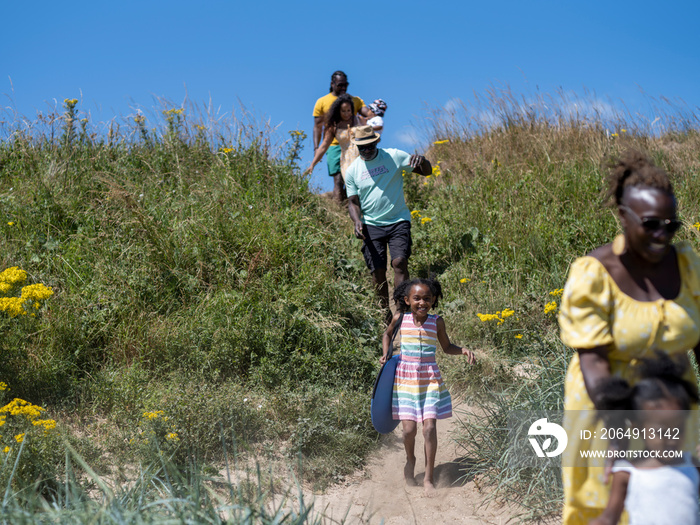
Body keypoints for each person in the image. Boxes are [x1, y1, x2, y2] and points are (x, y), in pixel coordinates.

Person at [558, 149, 700, 525]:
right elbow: (594, 363)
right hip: (608, 413)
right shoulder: (594, 273)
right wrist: (621, 439)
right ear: (623, 216)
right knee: (609, 511)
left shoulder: (687, 265)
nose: (662, 235)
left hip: (672, 410)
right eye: (651, 224)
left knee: (671, 508)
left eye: (671, 226)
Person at [381, 278, 476, 494]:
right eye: (417, 298)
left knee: (429, 427)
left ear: (433, 301)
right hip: (405, 380)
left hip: (430, 380)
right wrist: (386, 353)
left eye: (427, 298)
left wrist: (462, 350)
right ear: (407, 300)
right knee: (408, 430)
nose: (422, 303)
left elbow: (447, 346)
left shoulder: (437, 322)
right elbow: (387, 334)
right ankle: (410, 459)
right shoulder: (400, 318)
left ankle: (429, 478)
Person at [589, 352, 700, 525]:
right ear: (638, 428)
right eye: (661, 432)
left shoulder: (692, 465)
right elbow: (610, 517)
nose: (672, 439)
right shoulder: (628, 473)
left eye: (678, 429)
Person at [345, 125, 432, 319]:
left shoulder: (394, 156)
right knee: (378, 272)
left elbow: (427, 172)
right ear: (357, 147)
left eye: (370, 146)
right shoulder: (352, 171)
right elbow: (352, 202)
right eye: (362, 148)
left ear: (377, 141)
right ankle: (385, 312)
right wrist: (357, 221)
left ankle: (401, 311)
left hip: (398, 220)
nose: (366, 150)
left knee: (399, 262)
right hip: (371, 225)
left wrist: (423, 160)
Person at [312, 71, 368, 203]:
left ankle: (353, 206)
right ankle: (339, 209)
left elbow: (368, 113)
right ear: (332, 84)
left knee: (355, 179)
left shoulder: (355, 100)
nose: (344, 87)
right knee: (338, 179)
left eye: (346, 85)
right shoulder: (322, 102)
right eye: (340, 85)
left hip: (353, 147)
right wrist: (316, 148)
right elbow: (318, 127)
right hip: (333, 146)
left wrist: (376, 113)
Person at [305, 94, 362, 189]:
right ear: (338, 111)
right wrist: (312, 164)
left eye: (349, 110)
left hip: (360, 158)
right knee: (351, 189)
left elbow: (367, 135)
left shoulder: (356, 120)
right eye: (343, 111)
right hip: (346, 161)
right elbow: (324, 146)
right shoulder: (334, 126)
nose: (347, 113)